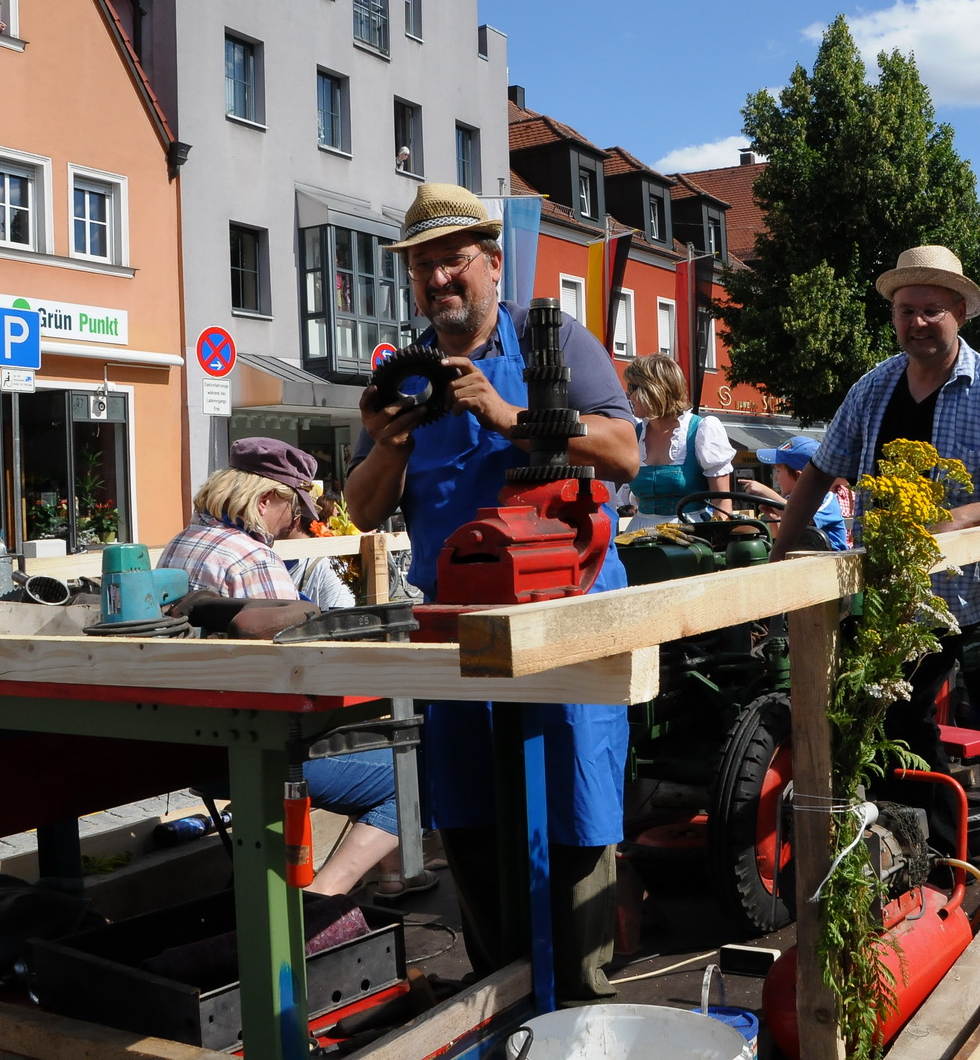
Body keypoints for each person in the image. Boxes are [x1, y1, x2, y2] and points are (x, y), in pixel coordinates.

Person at [342, 183, 639, 1002]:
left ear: (492, 264)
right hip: (457, 634)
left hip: (564, 626)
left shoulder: (557, 343)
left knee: (574, 812)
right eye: (423, 266)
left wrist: (511, 416)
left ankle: (581, 1007)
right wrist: (387, 446)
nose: (439, 279)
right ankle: (500, 1002)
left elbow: (623, 453)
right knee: (470, 815)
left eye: (453, 260)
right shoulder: (404, 374)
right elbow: (362, 508)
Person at [768, 244, 980, 770]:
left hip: (953, 600)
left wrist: (960, 519)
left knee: (896, 716)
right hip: (875, 587)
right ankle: (879, 830)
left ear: (960, 313)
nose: (918, 322)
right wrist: (776, 560)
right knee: (840, 710)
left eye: (932, 310)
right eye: (907, 311)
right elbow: (817, 473)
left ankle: (931, 841)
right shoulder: (874, 387)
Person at [158, 437, 426, 898]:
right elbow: (301, 666)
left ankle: (393, 877)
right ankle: (323, 898)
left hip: (192, 747)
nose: (297, 521)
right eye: (293, 508)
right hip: (255, 747)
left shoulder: (183, 540)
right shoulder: (252, 555)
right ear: (265, 500)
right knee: (419, 770)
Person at [615, 353, 733, 526]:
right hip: (640, 533)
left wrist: (715, 540)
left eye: (632, 388)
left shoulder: (702, 430)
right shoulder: (635, 432)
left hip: (690, 533)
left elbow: (722, 505)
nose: (628, 395)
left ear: (653, 390)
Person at [737, 436, 849, 550]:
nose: (776, 477)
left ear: (800, 477)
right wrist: (773, 517)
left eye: (779, 471)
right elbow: (779, 541)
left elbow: (801, 517)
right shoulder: (789, 501)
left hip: (831, 561)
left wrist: (765, 492)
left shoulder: (826, 498)